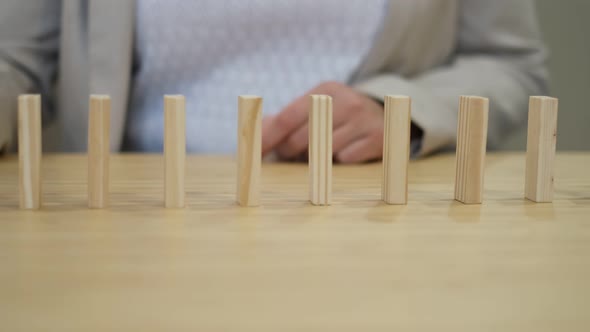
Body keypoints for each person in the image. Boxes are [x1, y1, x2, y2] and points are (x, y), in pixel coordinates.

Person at [0, 0, 548, 162]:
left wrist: (397, 108)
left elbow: (510, 64)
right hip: (126, 219)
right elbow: (16, 59)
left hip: (375, 220)